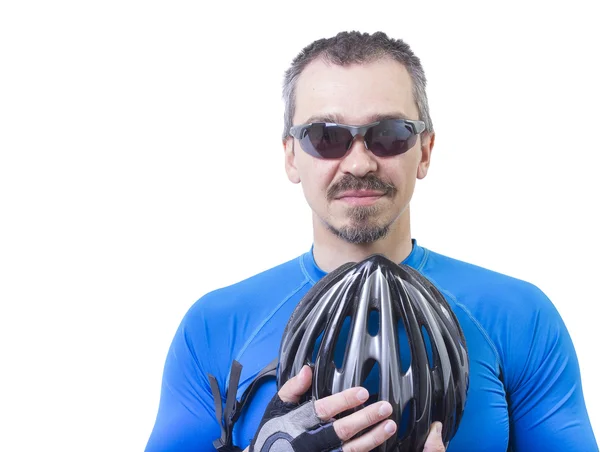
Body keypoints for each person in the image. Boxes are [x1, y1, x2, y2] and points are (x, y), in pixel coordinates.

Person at [144, 31, 598, 451]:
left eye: (388, 135)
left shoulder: (519, 316)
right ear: (291, 157)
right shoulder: (215, 325)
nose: (359, 163)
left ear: (424, 151)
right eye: (326, 137)